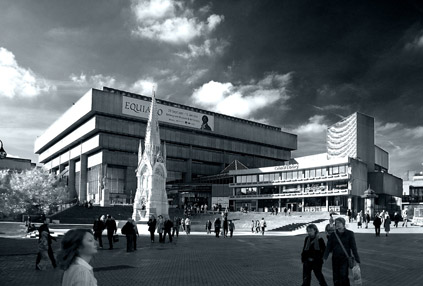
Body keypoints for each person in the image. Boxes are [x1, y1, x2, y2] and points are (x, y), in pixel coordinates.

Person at [323, 217, 360, 286]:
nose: (337, 224)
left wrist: (357, 259)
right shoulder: (333, 235)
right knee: (336, 276)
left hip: (345, 258)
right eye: (336, 223)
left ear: (343, 224)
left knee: (344, 275)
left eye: (339, 223)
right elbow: (328, 247)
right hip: (335, 258)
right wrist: (325, 257)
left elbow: (353, 247)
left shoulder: (350, 234)